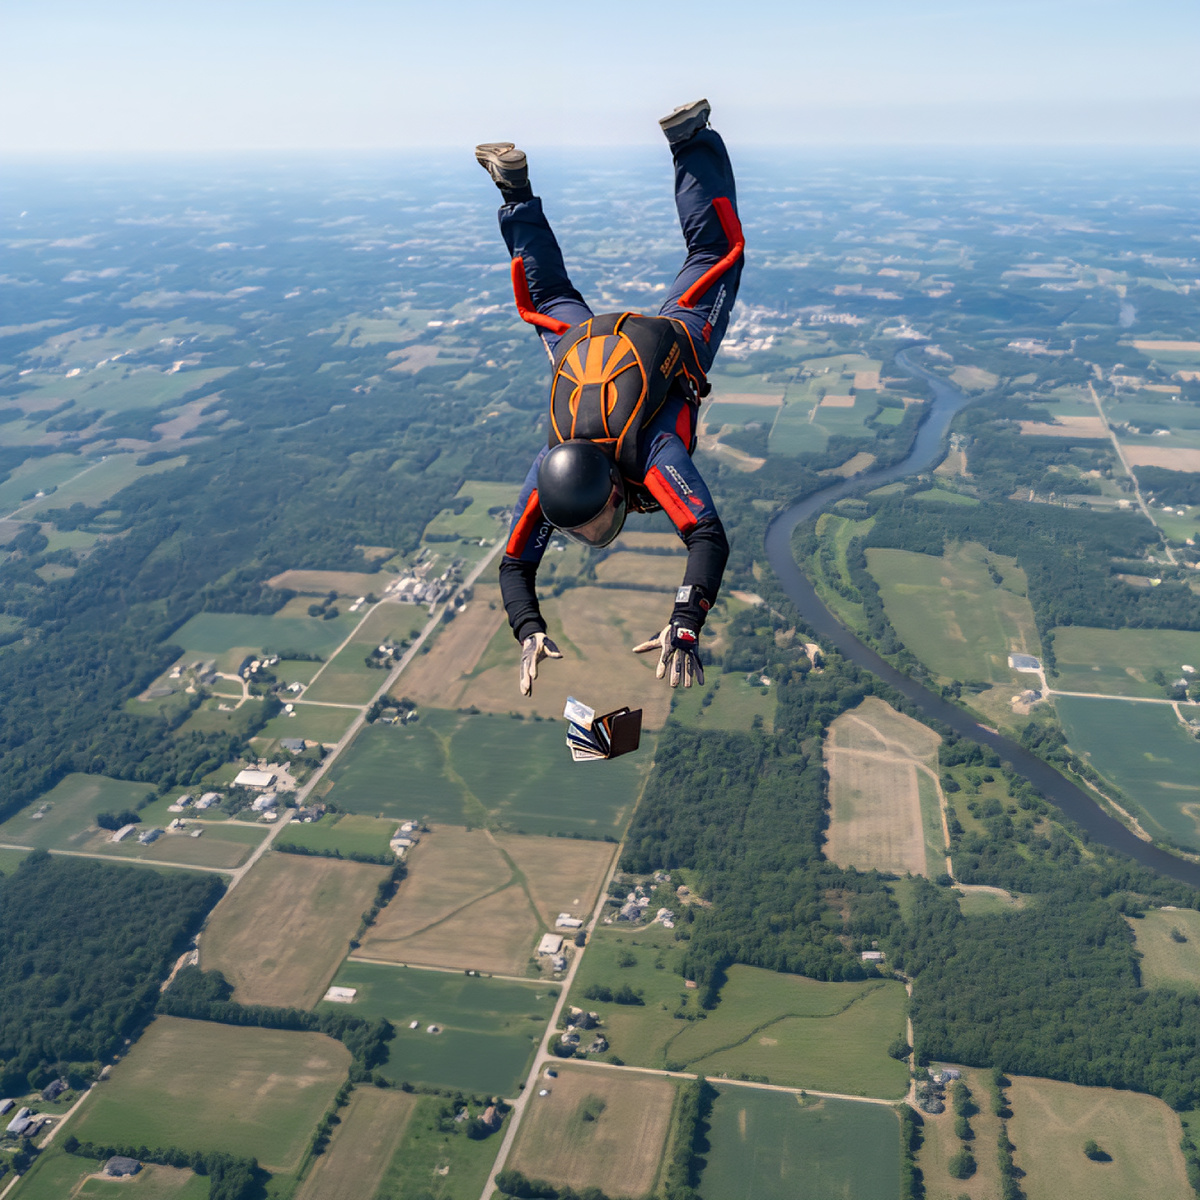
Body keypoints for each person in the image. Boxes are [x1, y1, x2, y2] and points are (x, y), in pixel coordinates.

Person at [476, 99, 744, 696]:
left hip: (670, 344)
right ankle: (513, 191)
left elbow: (707, 536)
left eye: (596, 522)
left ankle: (690, 141)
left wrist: (686, 623)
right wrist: (528, 628)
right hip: (582, 347)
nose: (599, 532)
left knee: (714, 256)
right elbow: (516, 566)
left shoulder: (651, 453)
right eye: (591, 527)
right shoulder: (551, 478)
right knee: (546, 298)